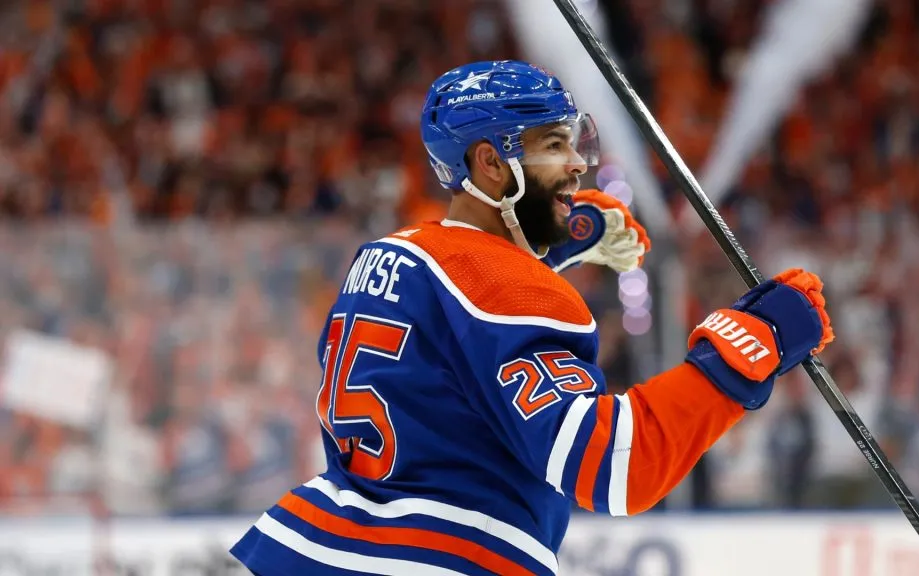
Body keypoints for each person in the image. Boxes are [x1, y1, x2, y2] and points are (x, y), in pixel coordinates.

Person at [230, 60, 834, 576]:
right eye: (552, 145)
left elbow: (466, 304)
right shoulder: (510, 287)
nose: (577, 164)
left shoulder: (389, 255)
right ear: (491, 162)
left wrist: (569, 236)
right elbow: (615, 464)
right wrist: (751, 344)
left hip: (311, 547)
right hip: (439, 558)